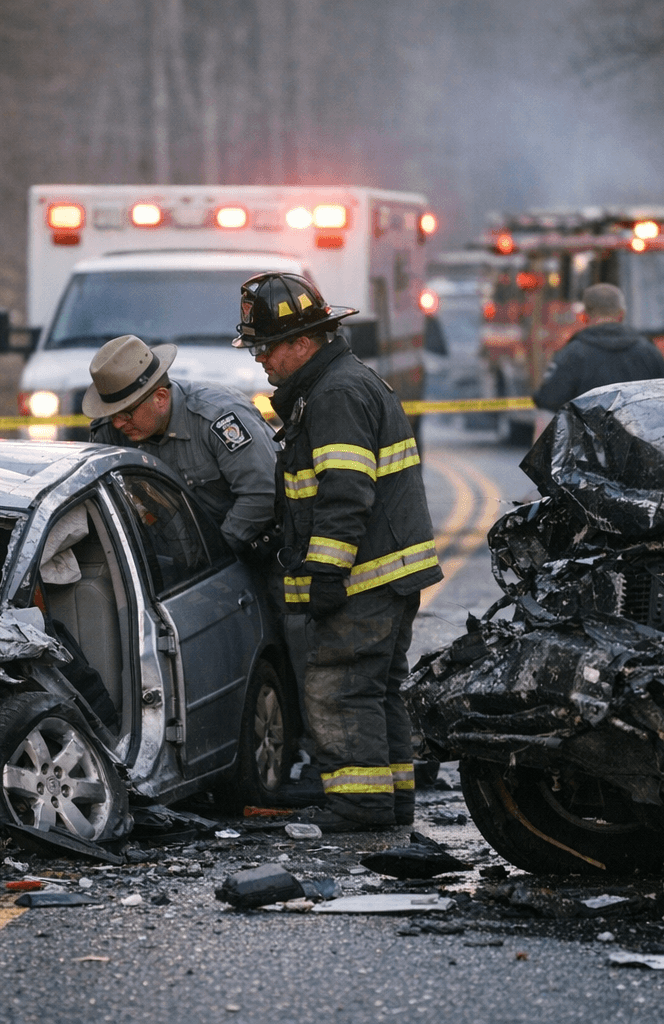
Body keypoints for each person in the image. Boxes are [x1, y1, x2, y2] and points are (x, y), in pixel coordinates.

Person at [233, 272, 443, 832]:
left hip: (362, 578)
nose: (260, 360)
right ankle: (390, 801)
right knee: (376, 692)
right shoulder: (335, 386)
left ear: (303, 343)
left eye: (265, 347)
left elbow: (346, 491)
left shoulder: (336, 395)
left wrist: (325, 570)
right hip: (383, 574)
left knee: (338, 688)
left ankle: (359, 805)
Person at [85, 334, 277, 554]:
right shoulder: (109, 431)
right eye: (111, 415)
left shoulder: (218, 418)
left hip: (245, 553)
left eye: (126, 414)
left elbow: (262, 493)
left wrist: (217, 553)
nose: (118, 424)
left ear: (160, 398)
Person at [532, 282, 664, 411]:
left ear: (584, 317)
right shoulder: (648, 352)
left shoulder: (572, 353)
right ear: (622, 315)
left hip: (588, 437)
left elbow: (548, 399)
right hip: (636, 436)